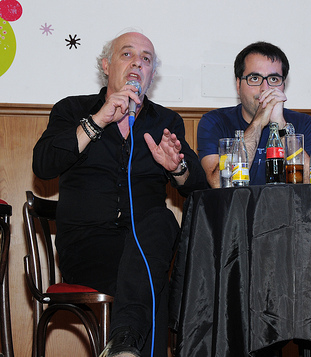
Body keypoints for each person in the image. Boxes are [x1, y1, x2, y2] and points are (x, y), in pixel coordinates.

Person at [32, 31, 208, 357]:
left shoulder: (165, 121)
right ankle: (125, 345)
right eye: (127, 55)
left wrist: (177, 167)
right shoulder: (73, 109)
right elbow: (43, 164)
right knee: (156, 285)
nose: (137, 63)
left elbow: (200, 189)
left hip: (147, 242)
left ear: (152, 73)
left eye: (146, 59)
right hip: (88, 248)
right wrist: (97, 121)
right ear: (106, 65)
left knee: (161, 219)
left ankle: (123, 346)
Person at [197, 41, 311, 187]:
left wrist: (281, 126)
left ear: (283, 86)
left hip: (288, 208)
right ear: (238, 85)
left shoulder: (304, 123)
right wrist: (258, 123)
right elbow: (219, 183)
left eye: (274, 79)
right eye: (255, 78)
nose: (265, 89)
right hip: (237, 209)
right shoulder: (214, 122)